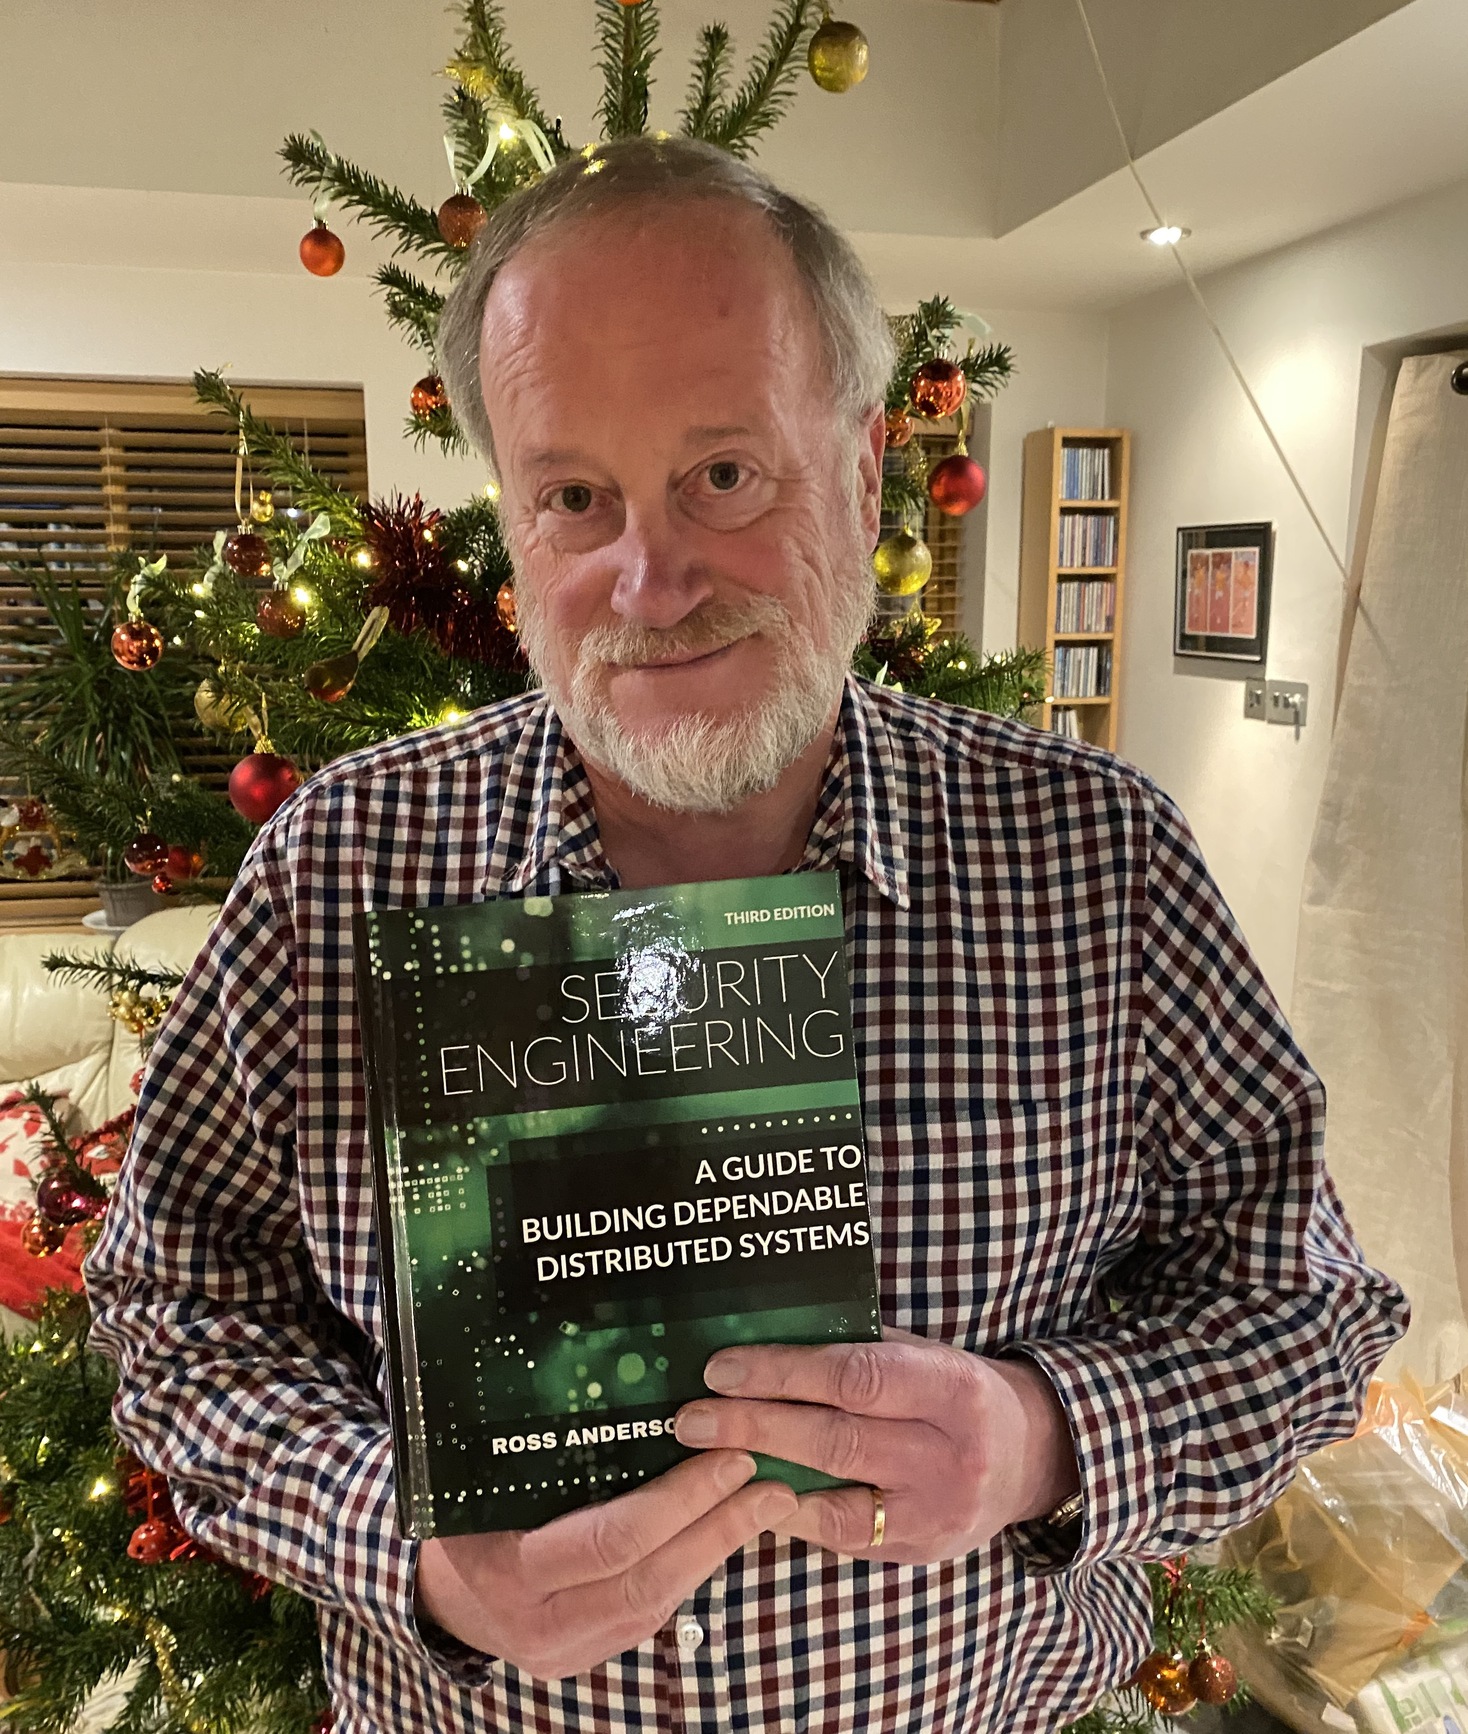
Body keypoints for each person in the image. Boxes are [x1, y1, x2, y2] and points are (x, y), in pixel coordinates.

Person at [87, 137, 1407, 1734]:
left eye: (725, 473)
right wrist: (411, 1549)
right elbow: (175, 1308)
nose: (650, 581)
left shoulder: (1099, 857)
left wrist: (1048, 1435)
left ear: (860, 476)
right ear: (513, 532)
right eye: (575, 496)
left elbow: (1313, 1305)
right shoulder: (341, 865)